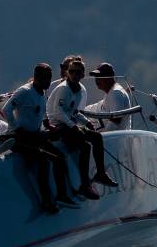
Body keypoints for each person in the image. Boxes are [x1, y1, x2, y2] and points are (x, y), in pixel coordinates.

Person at [2, 63, 78, 214]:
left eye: (49, 77)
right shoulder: (24, 91)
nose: (48, 81)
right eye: (45, 78)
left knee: (59, 157)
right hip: (20, 138)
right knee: (43, 162)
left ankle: (61, 195)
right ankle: (46, 202)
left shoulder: (42, 93)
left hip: (35, 136)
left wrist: (49, 126)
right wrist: (17, 129)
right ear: (36, 77)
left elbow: (40, 114)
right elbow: (6, 110)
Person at [47, 56, 119, 200]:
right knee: (85, 147)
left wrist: (86, 122)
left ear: (82, 75)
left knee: (97, 137)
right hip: (57, 126)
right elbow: (58, 112)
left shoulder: (79, 90)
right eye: (71, 71)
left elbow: (74, 112)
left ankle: (101, 173)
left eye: (78, 72)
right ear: (67, 73)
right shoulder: (64, 89)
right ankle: (85, 186)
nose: (74, 74)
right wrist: (73, 126)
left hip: (68, 124)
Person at [85, 62, 132, 132]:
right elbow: (99, 106)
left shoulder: (115, 93)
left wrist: (100, 135)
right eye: (96, 77)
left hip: (117, 137)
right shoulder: (111, 93)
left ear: (110, 77)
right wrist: (82, 110)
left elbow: (115, 123)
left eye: (100, 76)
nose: (97, 80)